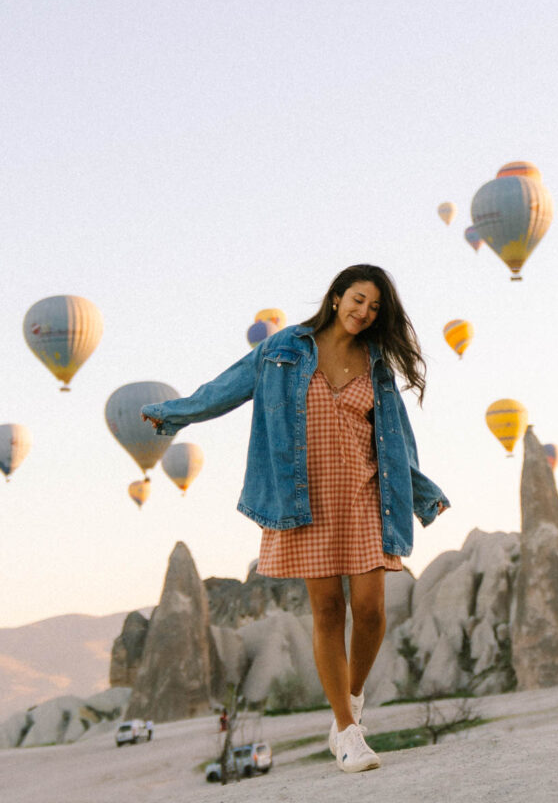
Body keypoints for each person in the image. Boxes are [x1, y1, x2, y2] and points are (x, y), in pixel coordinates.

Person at [141, 264, 449, 774]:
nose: (364, 312)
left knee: (371, 609)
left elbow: (397, 441)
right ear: (335, 297)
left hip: (366, 495)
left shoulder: (377, 365)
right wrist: (177, 413)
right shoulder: (283, 348)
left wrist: (421, 493)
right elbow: (229, 385)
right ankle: (348, 733)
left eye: (374, 307)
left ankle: (350, 700)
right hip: (303, 499)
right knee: (328, 611)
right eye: (357, 300)